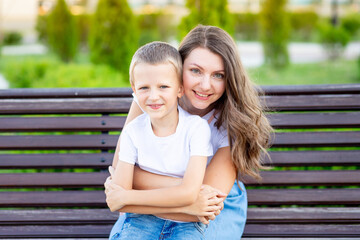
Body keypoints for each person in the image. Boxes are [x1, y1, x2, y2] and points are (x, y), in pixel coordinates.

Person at [106, 25, 273, 240]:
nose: (205, 85)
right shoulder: (153, 98)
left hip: (216, 206)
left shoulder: (233, 120)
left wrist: (130, 198)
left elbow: (207, 204)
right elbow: (121, 170)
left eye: (218, 75)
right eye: (195, 71)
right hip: (172, 198)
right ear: (178, 68)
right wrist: (190, 193)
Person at [108, 41, 222, 240]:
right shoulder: (132, 132)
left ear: (179, 89)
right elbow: (117, 203)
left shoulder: (196, 129)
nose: (154, 96)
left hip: (186, 225)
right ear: (134, 90)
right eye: (144, 88)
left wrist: (128, 197)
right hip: (140, 221)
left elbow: (189, 191)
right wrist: (189, 205)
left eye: (163, 86)